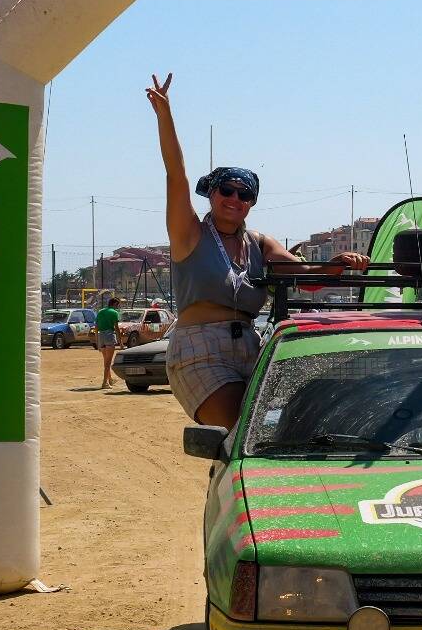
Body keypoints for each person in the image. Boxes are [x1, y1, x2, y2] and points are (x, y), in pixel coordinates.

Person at [146, 74, 367, 430]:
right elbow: (177, 175)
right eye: (227, 190)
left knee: (283, 429)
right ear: (212, 194)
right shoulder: (190, 234)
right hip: (200, 350)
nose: (235, 199)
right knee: (237, 429)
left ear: (251, 203)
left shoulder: (259, 244)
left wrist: (336, 265)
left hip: (252, 345)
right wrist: (165, 115)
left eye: (244, 194)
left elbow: (305, 277)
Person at [95, 294, 121, 389]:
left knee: (106, 361)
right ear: (114, 304)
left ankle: (109, 379)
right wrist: (120, 342)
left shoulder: (101, 312)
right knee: (108, 362)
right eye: (117, 305)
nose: (117, 307)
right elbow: (116, 328)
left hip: (101, 336)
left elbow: (96, 327)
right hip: (109, 336)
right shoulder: (114, 313)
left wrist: (97, 342)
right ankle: (104, 383)